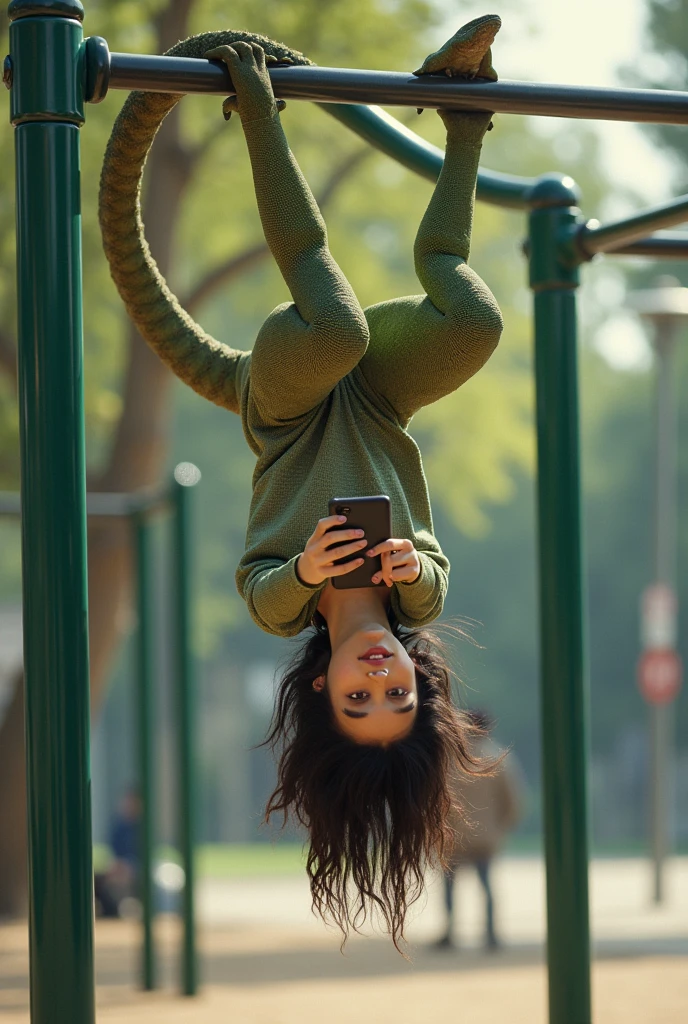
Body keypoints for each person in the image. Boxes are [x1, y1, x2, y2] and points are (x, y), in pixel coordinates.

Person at [100, 19, 503, 949]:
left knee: (333, 332)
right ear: (419, 684)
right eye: (396, 698)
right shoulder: (419, 592)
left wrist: (315, 571)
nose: (377, 683)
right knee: (471, 323)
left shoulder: (287, 613)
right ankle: (462, 111)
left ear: (320, 692)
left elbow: (263, 586)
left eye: (356, 702)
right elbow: (431, 571)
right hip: (377, 402)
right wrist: (400, 559)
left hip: (286, 404)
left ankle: (257, 110)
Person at [435, 710, 523, 950]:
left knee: (450, 886)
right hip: (486, 836)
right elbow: (513, 802)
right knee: (486, 886)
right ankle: (491, 934)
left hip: (454, 833)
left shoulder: (449, 758)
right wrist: (500, 828)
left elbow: (436, 798)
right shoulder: (499, 758)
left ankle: (449, 932)